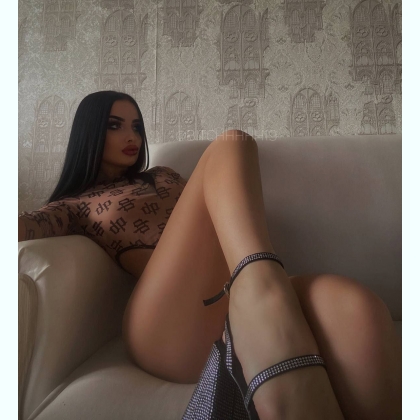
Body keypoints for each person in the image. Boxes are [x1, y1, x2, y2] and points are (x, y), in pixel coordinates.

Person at [18, 90, 402, 419]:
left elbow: (216, 218)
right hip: (168, 325)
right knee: (231, 143)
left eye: (136, 126)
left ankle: (258, 301)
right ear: (88, 132)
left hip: (226, 300)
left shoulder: (165, 175)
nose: (131, 135)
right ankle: (261, 294)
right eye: (115, 125)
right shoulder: (72, 205)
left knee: (355, 307)